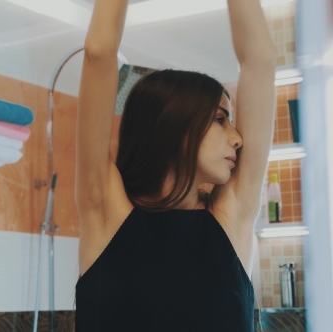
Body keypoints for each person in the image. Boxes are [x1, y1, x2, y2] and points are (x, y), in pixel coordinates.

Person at [74, 0, 276, 331]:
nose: (238, 138)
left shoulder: (231, 218)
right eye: (220, 119)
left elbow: (261, 62)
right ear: (174, 128)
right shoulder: (104, 213)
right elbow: (98, 53)